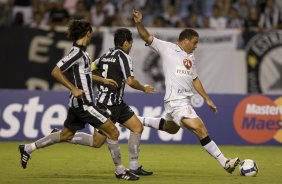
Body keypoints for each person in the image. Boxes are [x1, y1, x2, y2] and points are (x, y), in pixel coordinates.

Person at [18, 19, 138, 181]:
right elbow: (56, 71)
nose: (91, 36)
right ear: (86, 33)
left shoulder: (84, 54)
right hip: (84, 104)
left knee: (66, 135)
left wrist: (102, 80)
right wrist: (73, 88)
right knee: (113, 131)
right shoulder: (77, 53)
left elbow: (85, 74)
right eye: (90, 33)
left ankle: (28, 148)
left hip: (78, 104)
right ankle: (120, 170)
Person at [132, 10, 240, 174]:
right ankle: (225, 162)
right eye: (195, 42)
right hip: (176, 101)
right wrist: (139, 23)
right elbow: (146, 36)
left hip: (184, 101)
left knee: (171, 128)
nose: (196, 46)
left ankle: (132, 119)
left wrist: (207, 99)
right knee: (200, 129)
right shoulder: (167, 48)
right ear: (185, 40)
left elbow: (195, 79)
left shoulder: (191, 58)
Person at [91, 28, 154, 178]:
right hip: (107, 106)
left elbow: (88, 71)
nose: (131, 46)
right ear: (126, 43)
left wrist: (101, 81)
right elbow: (131, 82)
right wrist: (144, 88)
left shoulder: (105, 56)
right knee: (96, 143)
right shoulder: (124, 57)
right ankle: (65, 136)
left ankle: (134, 166)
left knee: (137, 127)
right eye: (130, 43)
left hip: (117, 103)